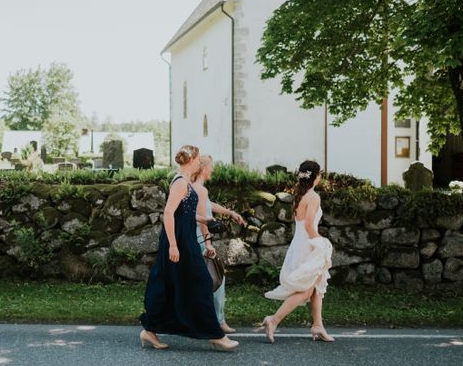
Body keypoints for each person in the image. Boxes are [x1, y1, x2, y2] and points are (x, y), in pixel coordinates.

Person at [139, 145, 239, 351]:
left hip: (186, 241)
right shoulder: (180, 183)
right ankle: (215, 334)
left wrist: (206, 219)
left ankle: (149, 330)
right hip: (179, 242)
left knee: (173, 285)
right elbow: (168, 214)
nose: (200, 162)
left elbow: (183, 213)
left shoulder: (185, 182)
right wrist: (173, 246)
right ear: (192, 160)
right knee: (201, 281)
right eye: (198, 158)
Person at [257, 160, 335, 343]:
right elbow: (309, 225)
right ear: (315, 176)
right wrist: (321, 243)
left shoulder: (299, 195)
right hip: (308, 245)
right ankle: (273, 320)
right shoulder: (314, 197)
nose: (321, 177)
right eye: (320, 174)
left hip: (299, 244)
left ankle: (318, 326)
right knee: (306, 290)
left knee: (316, 286)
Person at [191, 155, 247, 334]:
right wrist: (208, 244)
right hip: (200, 241)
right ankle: (218, 322)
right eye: (211, 166)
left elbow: (208, 205)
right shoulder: (200, 189)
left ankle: (205, 320)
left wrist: (230, 212)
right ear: (203, 168)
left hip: (195, 240)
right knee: (216, 279)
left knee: (204, 282)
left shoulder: (196, 188)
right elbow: (203, 220)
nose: (213, 169)